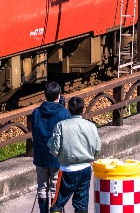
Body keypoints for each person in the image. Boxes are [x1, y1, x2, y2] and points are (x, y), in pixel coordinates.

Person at [47, 96, 101, 213]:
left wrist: (59, 156)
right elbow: (97, 148)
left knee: (57, 203)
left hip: (67, 169)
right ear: (82, 109)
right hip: (86, 168)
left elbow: (55, 148)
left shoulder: (61, 125)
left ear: (69, 109)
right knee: (81, 204)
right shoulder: (91, 126)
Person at [31, 81, 70, 213]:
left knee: (42, 187)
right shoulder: (63, 113)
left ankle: (43, 211)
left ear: (45, 95)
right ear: (58, 95)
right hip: (57, 157)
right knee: (55, 187)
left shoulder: (36, 112)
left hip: (40, 155)